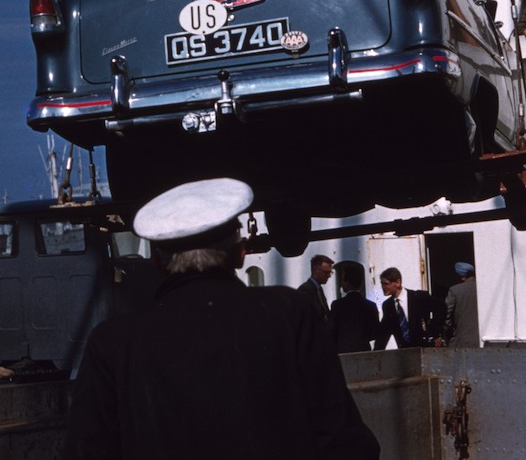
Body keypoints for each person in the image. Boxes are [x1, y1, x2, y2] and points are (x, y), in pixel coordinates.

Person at [63, 178, 380, 460]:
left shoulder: (112, 343)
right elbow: (343, 441)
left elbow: (87, 450)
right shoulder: (290, 313)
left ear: (157, 261)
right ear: (240, 253)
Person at [374, 267, 442, 349]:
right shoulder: (388, 305)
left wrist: (435, 333)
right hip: (405, 352)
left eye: (386, 284)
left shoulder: (419, 297)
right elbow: (384, 332)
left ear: (398, 283)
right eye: (382, 284)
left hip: (425, 348)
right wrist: (376, 354)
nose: (383, 287)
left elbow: (441, 308)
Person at [330, 263, 380, 353]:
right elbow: (375, 332)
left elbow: (332, 330)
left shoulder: (337, 305)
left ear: (347, 283)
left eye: (343, 281)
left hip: (342, 351)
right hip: (364, 349)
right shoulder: (370, 306)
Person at [441, 262, 479, 348]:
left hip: (462, 341)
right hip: (483, 341)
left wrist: (446, 334)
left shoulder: (454, 290)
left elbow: (447, 315)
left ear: (462, 277)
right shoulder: (482, 288)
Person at [298, 253, 334, 325]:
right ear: (314, 271)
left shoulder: (319, 289)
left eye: (330, 272)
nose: (329, 276)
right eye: (326, 272)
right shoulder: (306, 290)